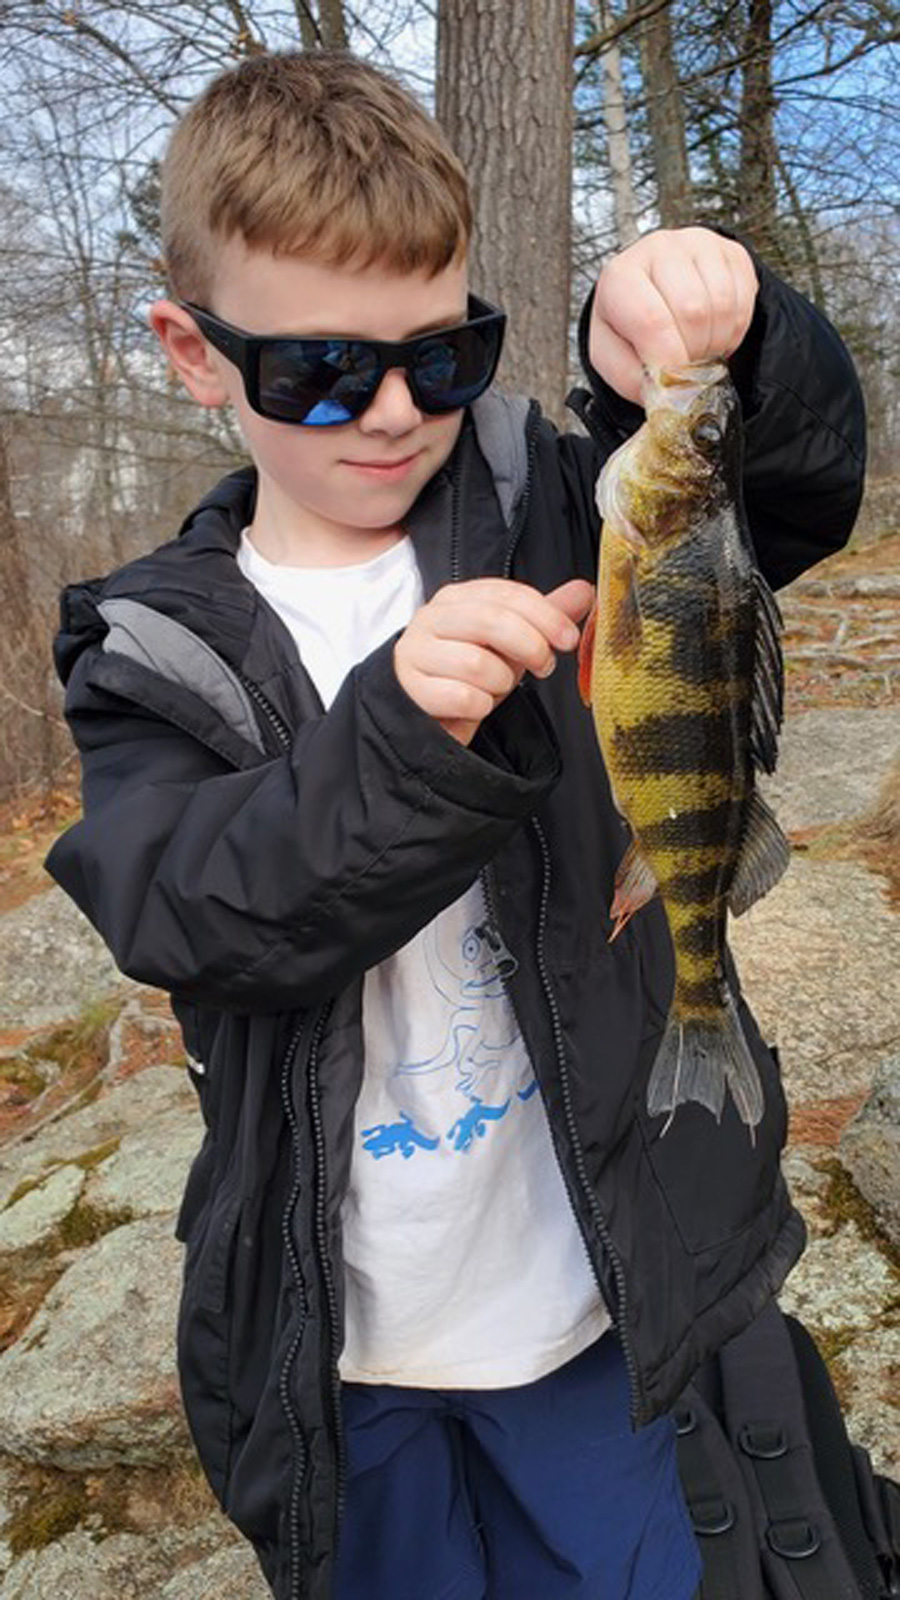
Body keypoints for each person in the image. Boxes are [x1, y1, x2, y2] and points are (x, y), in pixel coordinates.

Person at [46, 48, 865, 1600]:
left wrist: (737, 337)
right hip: (341, 1337)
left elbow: (788, 495)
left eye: (448, 351)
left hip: (589, 1302)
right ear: (191, 352)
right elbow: (186, 909)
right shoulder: (152, 648)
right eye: (318, 373)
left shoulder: (568, 499)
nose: (396, 410)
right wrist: (399, 739)